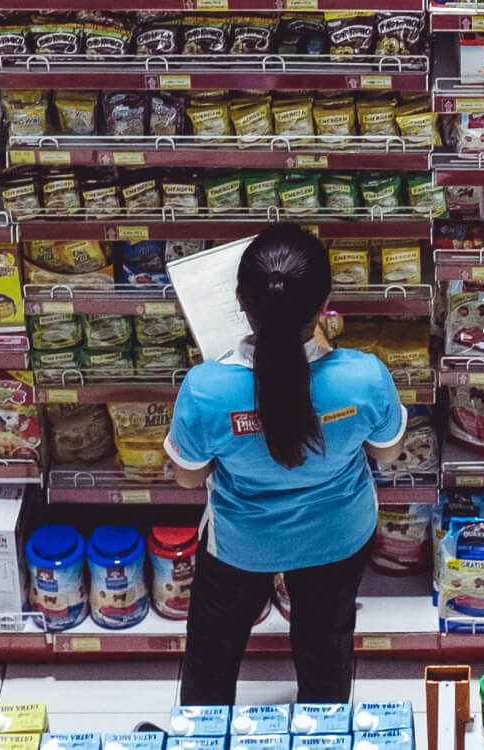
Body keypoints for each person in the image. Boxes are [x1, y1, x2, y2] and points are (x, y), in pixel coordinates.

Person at [165, 224, 405, 705]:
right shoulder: (364, 376)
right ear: (324, 304)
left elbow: (189, 477)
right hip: (336, 536)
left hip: (240, 544)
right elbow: (387, 452)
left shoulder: (206, 387)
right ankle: (325, 730)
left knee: (213, 653)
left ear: (239, 301)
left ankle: (206, 736)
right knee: (325, 647)